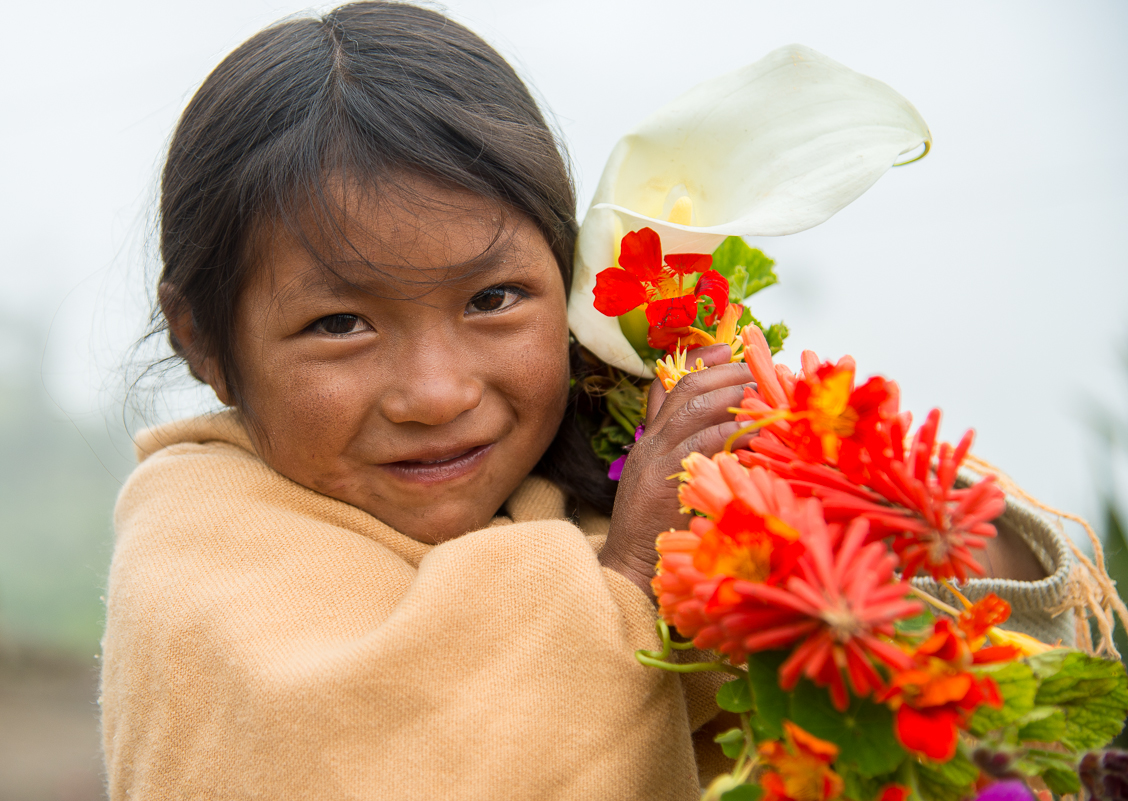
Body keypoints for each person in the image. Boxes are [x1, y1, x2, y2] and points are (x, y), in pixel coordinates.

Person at [100, 3, 1072, 798]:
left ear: (570, 283)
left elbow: (1007, 656)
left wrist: (857, 500)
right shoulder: (197, 549)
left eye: (493, 300)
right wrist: (630, 574)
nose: (437, 394)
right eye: (340, 325)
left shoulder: (626, 467)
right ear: (205, 342)